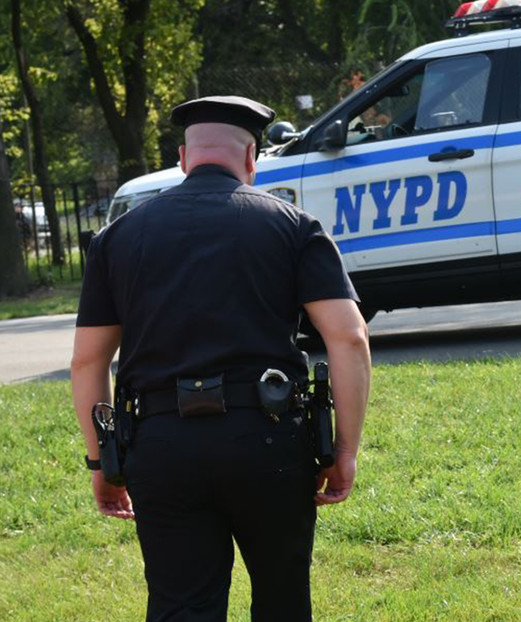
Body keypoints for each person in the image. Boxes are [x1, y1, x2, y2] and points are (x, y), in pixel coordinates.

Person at [71, 95, 372, 621]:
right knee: (282, 600)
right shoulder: (295, 226)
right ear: (252, 157)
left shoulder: (116, 239)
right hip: (269, 440)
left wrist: (102, 461)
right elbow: (348, 339)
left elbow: (87, 362)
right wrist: (343, 450)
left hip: (161, 445)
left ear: (183, 158)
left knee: (181, 606)